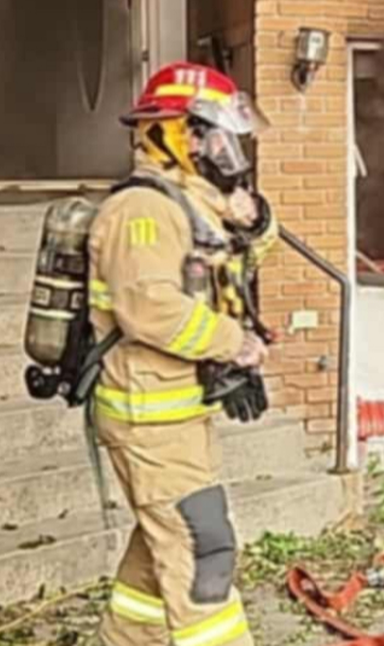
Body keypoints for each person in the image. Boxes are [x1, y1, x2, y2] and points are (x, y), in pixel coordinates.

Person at [91, 62, 278, 646]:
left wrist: (254, 217)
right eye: (212, 136)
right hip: (147, 415)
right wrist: (234, 343)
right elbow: (148, 309)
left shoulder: (192, 201)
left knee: (161, 544)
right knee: (202, 550)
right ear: (174, 133)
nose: (223, 150)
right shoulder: (141, 211)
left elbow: (239, 265)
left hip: (177, 412)